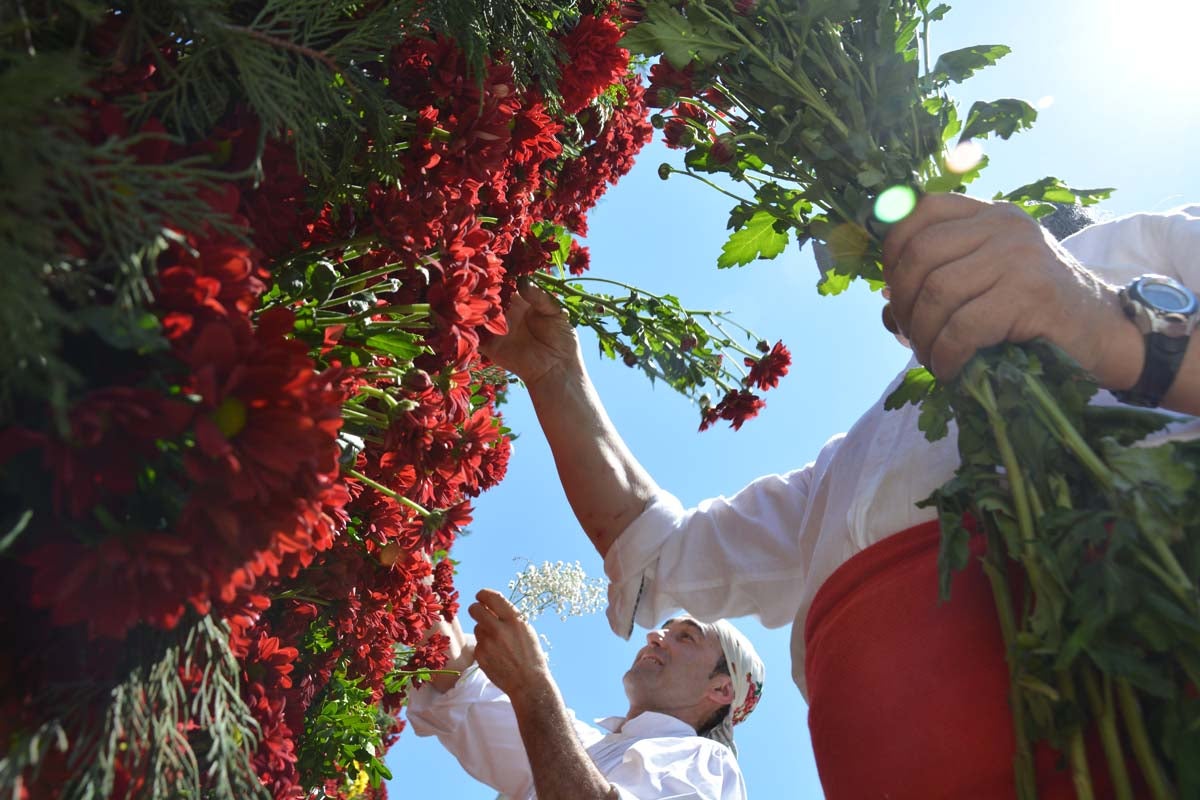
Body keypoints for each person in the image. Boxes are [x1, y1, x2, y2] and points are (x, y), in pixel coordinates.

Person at [481, 195, 1200, 798]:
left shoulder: (1154, 243)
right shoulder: (857, 455)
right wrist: (555, 378)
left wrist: (1110, 323)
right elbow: (657, 547)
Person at [406, 588, 765, 800]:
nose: (655, 636)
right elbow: (456, 680)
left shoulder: (708, 763)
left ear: (721, 689)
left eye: (686, 636)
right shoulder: (580, 744)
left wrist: (532, 685)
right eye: (664, 629)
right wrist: (408, 558)